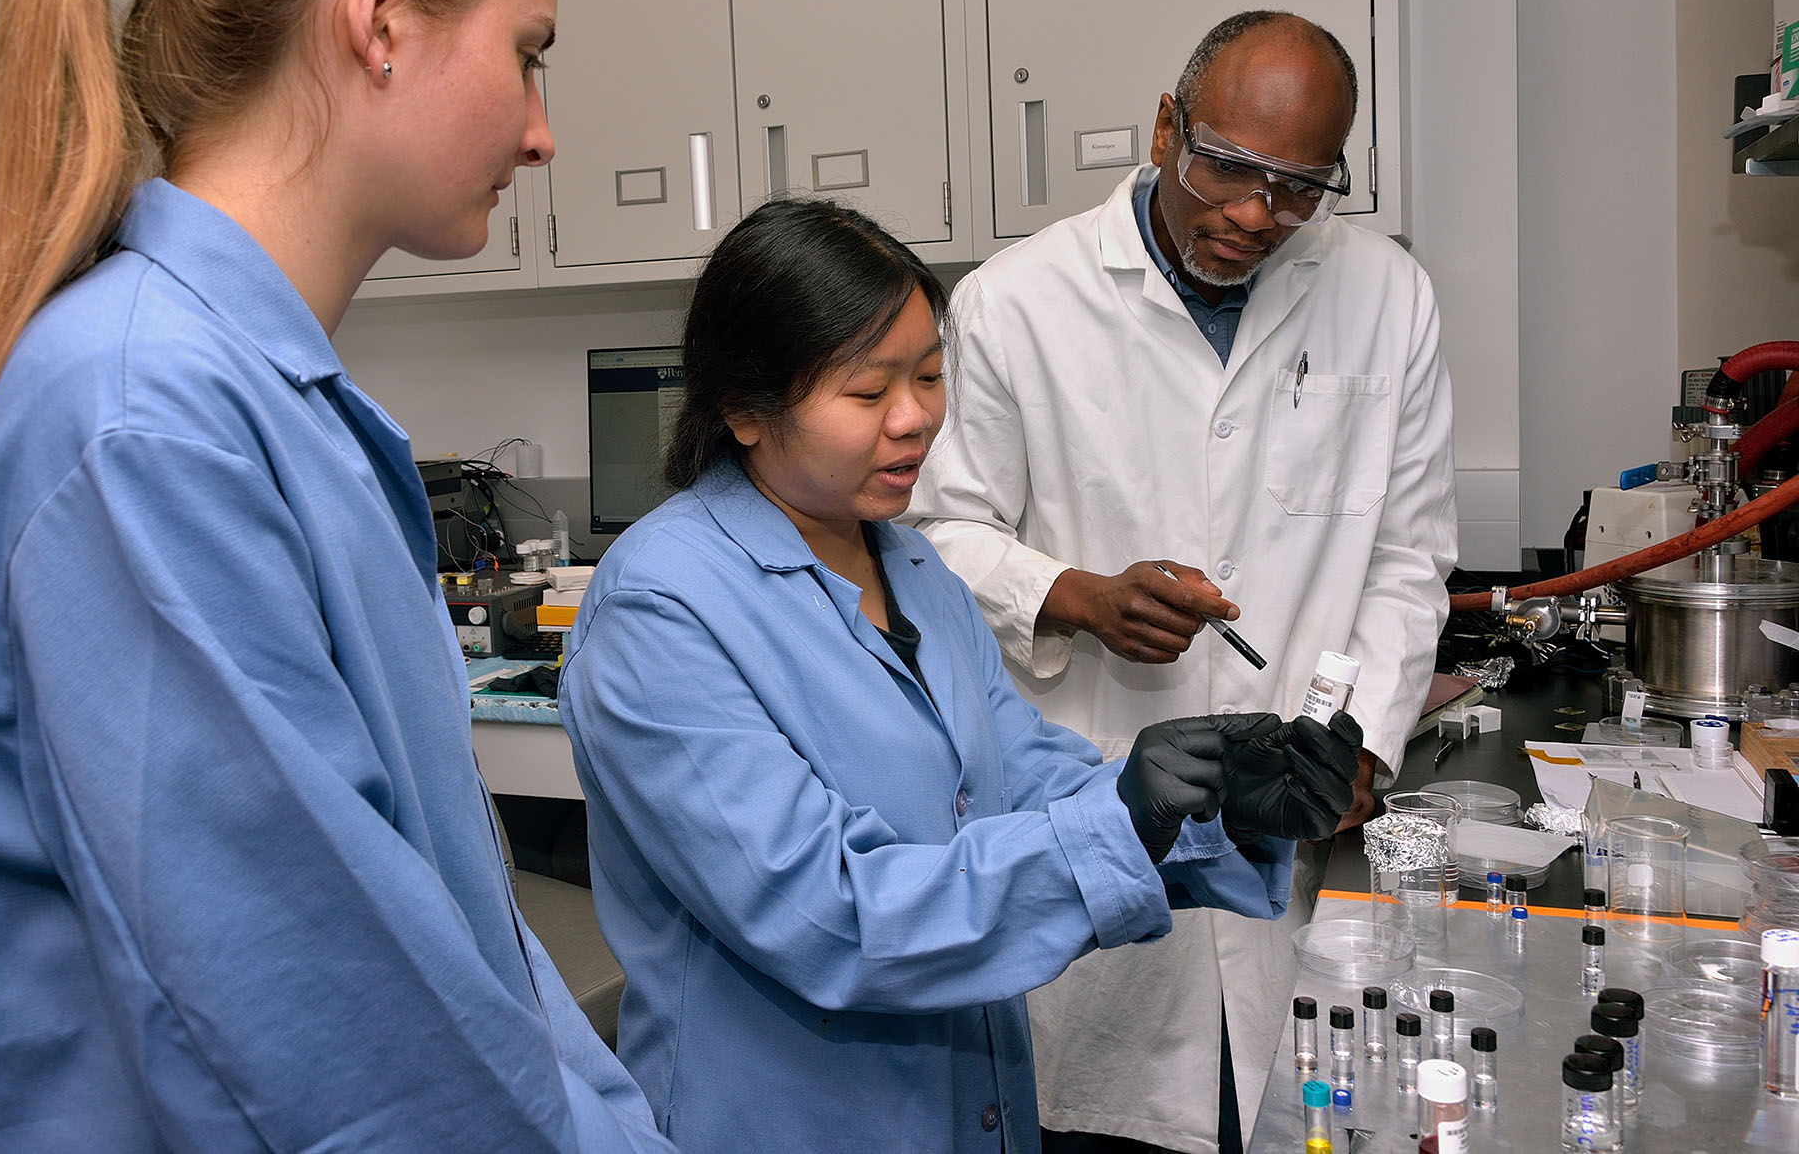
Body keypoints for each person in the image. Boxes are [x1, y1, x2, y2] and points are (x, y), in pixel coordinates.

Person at [0, 0, 672, 1149]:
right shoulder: (148, 420)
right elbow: (351, 1057)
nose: (542, 131)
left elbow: (460, 956)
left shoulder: (263, 404)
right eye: (526, 52)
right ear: (379, 17)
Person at [556, 195, 1365, 1154]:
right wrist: (1120, 823)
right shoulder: (663, 608)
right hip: (791, 1121)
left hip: (969, 1108)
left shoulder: (914, 570)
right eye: (867, 393)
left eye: (931, 376)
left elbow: (1021, 778)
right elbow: (829, 915)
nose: (915, 420)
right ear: (743, 408)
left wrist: (1213, 810)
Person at [908, 10, 1458, 1154]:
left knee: (1292, 1108)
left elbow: (1407, 555)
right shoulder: (1015, 304)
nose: (1253, 214)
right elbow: (933, 537)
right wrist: (1073, 596)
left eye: (1298, 187)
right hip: (1094, 810)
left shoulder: (1386, 296)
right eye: (1224, 168)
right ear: (1164, 127)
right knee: (1097, 1126)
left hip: (1287, 841)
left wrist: (1358, 743)